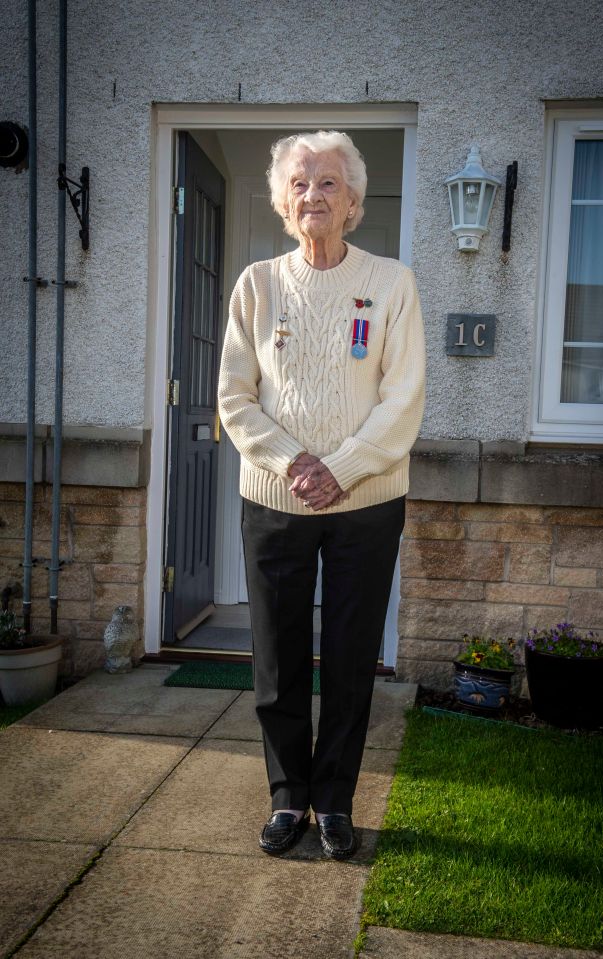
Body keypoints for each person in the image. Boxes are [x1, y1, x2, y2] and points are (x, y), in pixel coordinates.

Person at [217, 130, 426, 860]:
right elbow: (235, 398)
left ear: (353, 201)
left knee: (347, 655)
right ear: (282, 199)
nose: (314, 195)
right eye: (300, 183)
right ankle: (287, 798)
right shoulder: (257, 283)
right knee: (277, 658)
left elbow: (402, 399)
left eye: (328, 183)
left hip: (366, 503)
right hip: (272, 498)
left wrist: (340, 466)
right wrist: (292, 459)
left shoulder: (392, 284)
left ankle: (334, 801)